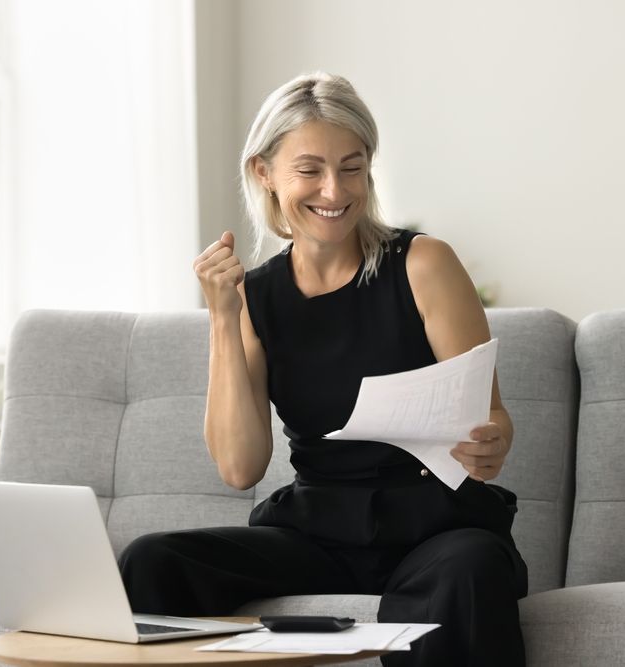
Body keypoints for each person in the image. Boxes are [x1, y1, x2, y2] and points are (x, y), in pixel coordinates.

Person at [119, 72, 528, 666]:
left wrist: (491, 442)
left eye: (353, 167)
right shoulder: (255, 297)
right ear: (265, 172)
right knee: (151, 561)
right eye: (309, 169)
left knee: (469, 568)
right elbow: (239, 468)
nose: (334, 190)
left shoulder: (422, 263)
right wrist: (222, 317)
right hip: (317, 527)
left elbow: (492, 417)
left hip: (435, 527)